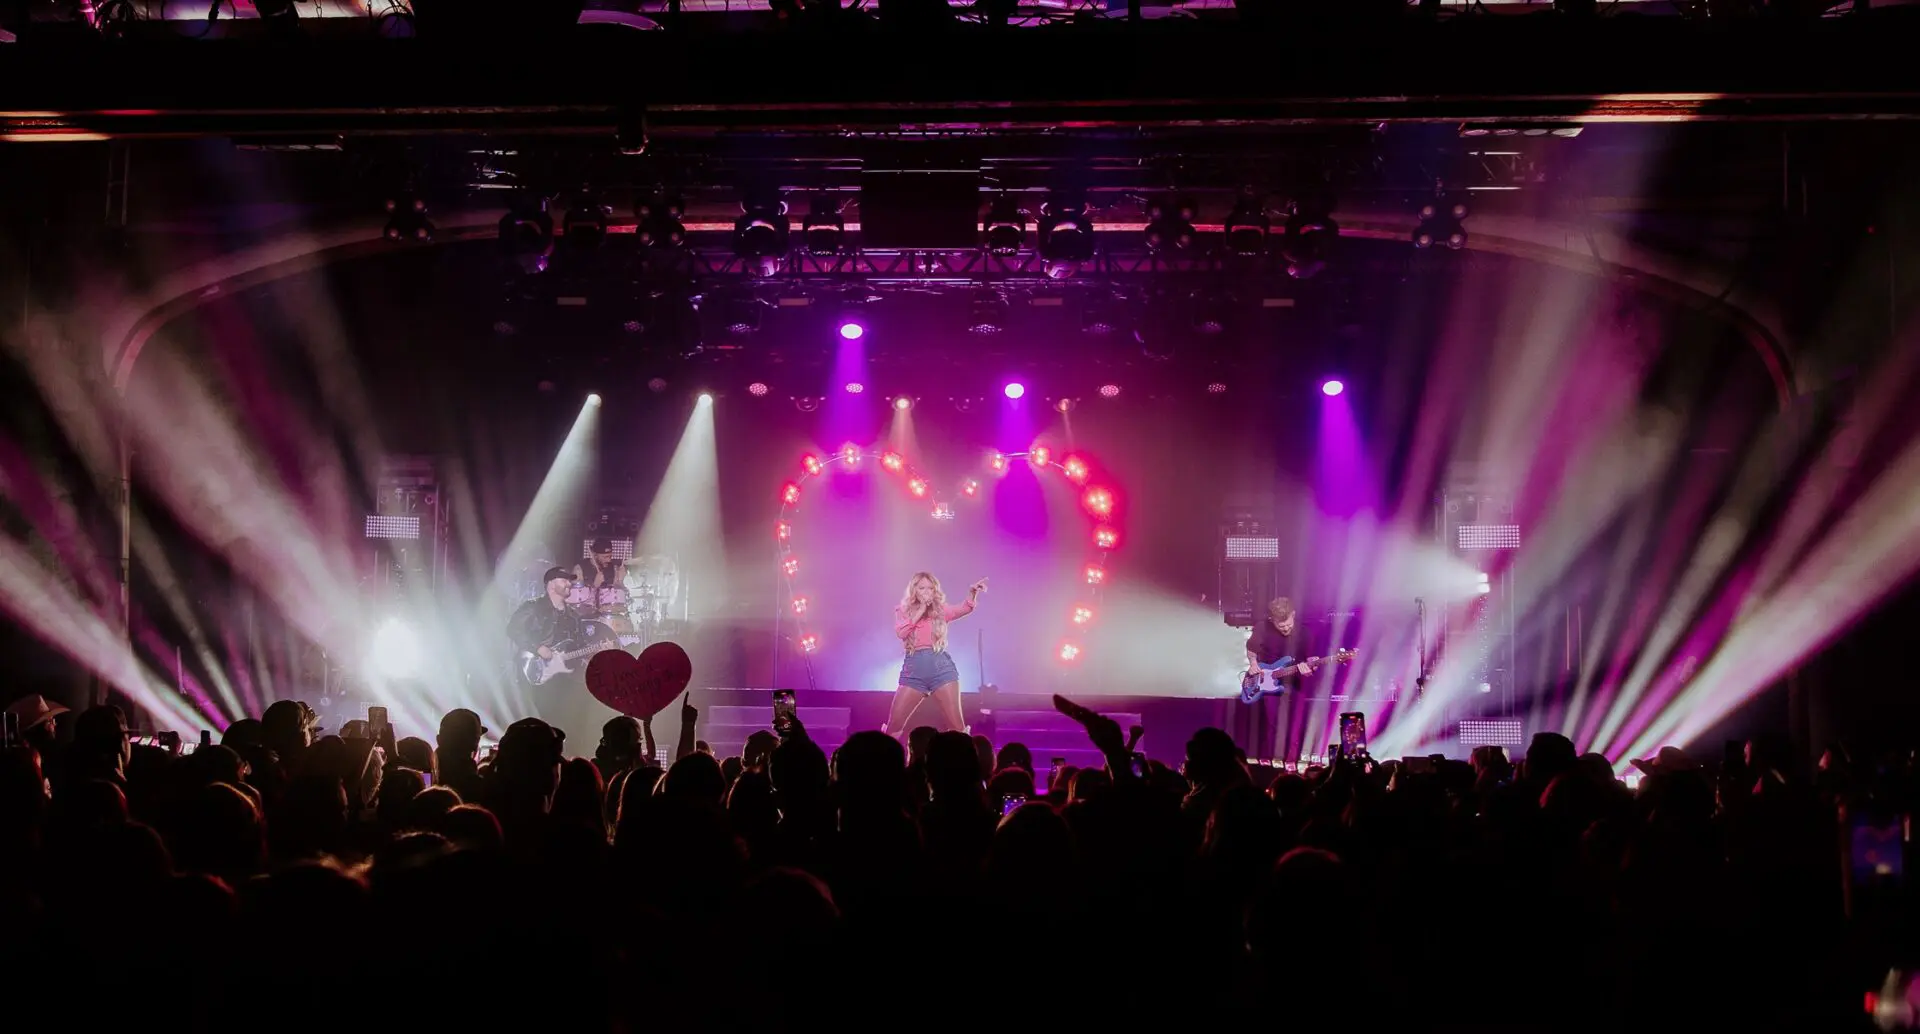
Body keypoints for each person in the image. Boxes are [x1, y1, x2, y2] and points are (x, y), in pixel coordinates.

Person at [886, 571, 986, 737]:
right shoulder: (903, 610)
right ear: (914, 590)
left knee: (957, 728)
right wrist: (922, 609)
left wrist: (972, 593)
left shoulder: (941, 611)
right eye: (922, 588)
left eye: (930, 589)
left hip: (941, 669)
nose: (927, 592)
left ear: (935, 591)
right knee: (893, 727)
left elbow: (964, 608)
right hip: (913, 672)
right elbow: (902, 633)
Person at [509, 568, 594, 683]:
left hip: (564, 676)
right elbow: (513, 629)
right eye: (564, 580)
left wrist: (593, 651)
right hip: (534, 670)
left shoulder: (573, 615)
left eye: (569, 581)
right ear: (551, 584)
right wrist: (537, 647)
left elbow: (579, 645)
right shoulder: (532, 607)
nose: (569, 584)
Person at [1245, 596, 1316, 684]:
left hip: (1293, 684)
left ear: (1293, 615)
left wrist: (1311, 668)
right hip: (1263, 683)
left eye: (1289, 624)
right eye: (1281, 626)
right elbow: (1251, 649)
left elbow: (1311, 659)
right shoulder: (1262, 627)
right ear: (1272, 619)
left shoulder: (1305, 633)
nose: (1286, 629)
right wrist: (1253, 664)